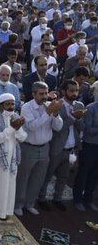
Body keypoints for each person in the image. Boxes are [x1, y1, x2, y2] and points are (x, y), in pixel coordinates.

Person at [15, 82, 63, 216]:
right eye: (41, 94)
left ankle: (29, 204)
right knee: (23, 178)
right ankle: (18, 204)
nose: (44, 96)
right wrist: (48, 113)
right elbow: (31, 126)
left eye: (46, 93)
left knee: (38, 178)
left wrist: (55, 114)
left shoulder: (49, 106)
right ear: (34, 94)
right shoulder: (27, 107)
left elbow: (58, 127)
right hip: (28, 148)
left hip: (44, 148)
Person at [37, 80, 85, 212]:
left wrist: (79, 118)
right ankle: (41, 198)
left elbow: (81, 128)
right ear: (64, 91)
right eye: (71, 90)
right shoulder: (58, 105)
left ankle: (57, 199)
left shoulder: (79, 105)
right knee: (48, 174)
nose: (74, 93)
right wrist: (74, 117)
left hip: (71, 149)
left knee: (63, 177)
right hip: (57, 148)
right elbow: (60, 127)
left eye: (76, 90)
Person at [73, 96, 98, 211]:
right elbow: (87, 129)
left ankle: (88, 199)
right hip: (90, 146)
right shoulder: (91, 108)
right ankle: (78, 199)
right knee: (83, 173)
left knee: (94, 175)